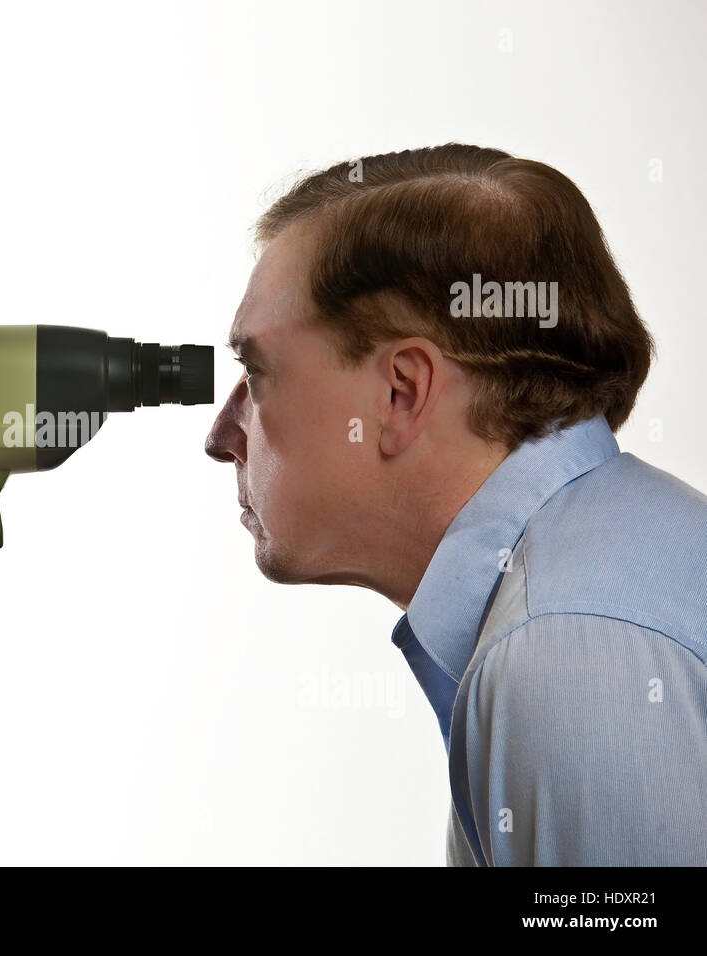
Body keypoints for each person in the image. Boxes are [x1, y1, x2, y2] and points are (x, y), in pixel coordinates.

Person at [204, 144, 707, 865]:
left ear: (399, 394)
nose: (222, 433)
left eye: (258, 370)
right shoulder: (597, 579)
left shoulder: (565, 654)